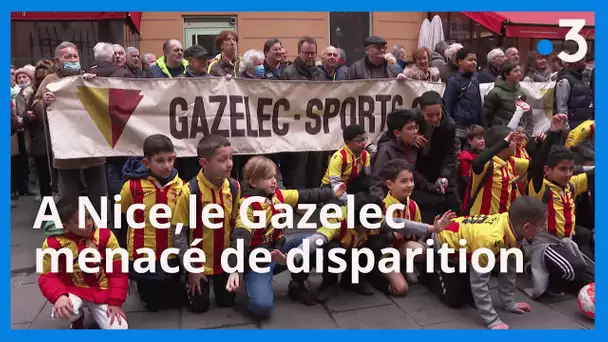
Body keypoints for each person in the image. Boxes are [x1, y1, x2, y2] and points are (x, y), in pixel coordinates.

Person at [224, 156, 346, 318]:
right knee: (261, 308)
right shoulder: (247, 207)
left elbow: (306, 195)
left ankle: (297, 283)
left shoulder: (278, 196)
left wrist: (332, 192)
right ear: (253, 182)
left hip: (279, 251)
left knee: (315, 240)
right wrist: (234, 269)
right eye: (268, 178)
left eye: (275, 176)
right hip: (256, 262)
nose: (274, 181)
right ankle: (253, 281)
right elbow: (241, 237)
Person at [418, 195, 543, 330]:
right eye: (542, 226)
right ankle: (426, 269)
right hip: (442, 245)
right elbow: (479, 283)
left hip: (466, 251)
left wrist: (509, 303)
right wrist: (492, 321)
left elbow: (508, 269)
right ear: (526, 227)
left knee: (471, 296)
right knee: (455, 298)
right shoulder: (490, 240)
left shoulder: (511, 227)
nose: (544, 229)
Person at [172, 135, 240, 314]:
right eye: (222, 159)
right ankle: (184, 279)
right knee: (199, 307)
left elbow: (236, 226)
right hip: (198, 263)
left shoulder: (234, 187)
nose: (230, 164)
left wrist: (235, 264)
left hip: (224, 261)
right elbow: (178, 233)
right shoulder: (190, 192)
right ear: (204, 162)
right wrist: (191, 269)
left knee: (227, 302)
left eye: (231, 157)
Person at [116, 134, 185, 311]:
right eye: (160, 161)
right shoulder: (132, 187)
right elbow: (121, 215)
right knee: (152, 304)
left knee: (174, 302)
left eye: (170, 160)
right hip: (143, 252)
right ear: (147, 163)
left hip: (171, 251)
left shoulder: (181, 187)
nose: (167, 165)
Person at [38, 198, 128, 329]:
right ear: (65, 227)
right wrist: (59, 296)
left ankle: (96, 311)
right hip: (72, 289)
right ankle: (77, 319)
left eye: (89, 217)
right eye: (80, 221)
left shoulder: (105, 236)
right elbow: (47, 276)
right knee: (61, 311)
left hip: (101, 291)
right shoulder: (53, 244)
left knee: (119, 329)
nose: (88, 223)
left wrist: (115, 302)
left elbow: (118, 270)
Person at [527, 114, 595, 259]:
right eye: (563, 169)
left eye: (571, 169)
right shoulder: (540, 186)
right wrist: (552, 132)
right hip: (547, 244)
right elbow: (538, 164)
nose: (568, 174)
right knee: (576, 269)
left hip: (567, 240)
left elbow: (593, 173)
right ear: (547, 171)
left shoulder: (570, 185)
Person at [367, 159, 425, 296]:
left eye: (411, 180)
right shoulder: (381, 208)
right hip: (383, 254)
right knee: (401, 289)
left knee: (421, 250)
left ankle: (404, 266)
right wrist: (392, 236)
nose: (410, 185)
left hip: (399, 248)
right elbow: (370, 241)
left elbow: (419, 231)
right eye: (404, 181)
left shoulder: (412, 205)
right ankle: (374, 275)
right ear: (389, 184)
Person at [464, 120, 530, 216]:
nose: (515, 144)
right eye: (511, 141)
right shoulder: (487, 164)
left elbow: (534, 165)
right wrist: (503, 143)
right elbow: (476, 163)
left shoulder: (510, 162)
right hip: (482, 225)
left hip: (502, 225)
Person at [370, 109, 420, 201]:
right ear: (397, 133)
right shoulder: (385, 151)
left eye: (416, 127)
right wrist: (383, 208)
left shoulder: (413, 146)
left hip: (409, 196)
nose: (415, 131)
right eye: (410, 128)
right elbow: (377, 184)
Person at [443, 47, 484, 139]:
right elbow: (447, 105)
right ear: (460, 61)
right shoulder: (454, 81)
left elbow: (479, 104)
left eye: (475, 60)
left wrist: (482, 124)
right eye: (470, 60)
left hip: (474, 129)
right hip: (458, 128)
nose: (474, 63)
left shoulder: (475, 81)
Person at [321, 124, 371, 194]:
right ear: (348, 142)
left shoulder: (366, 155)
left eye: (364, 140)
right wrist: (348, 201)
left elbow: (369, 175)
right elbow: (335, 185)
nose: (363, 144)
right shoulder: (338, 157)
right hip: (330, 186)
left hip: (349, 184)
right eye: (358, 142)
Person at [458, 125, 485, 205]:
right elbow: (467, 180)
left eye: (483, 138)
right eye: (479, 138)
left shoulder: (485, 154)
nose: (483, 141)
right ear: (470, 141)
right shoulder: (465, 157)